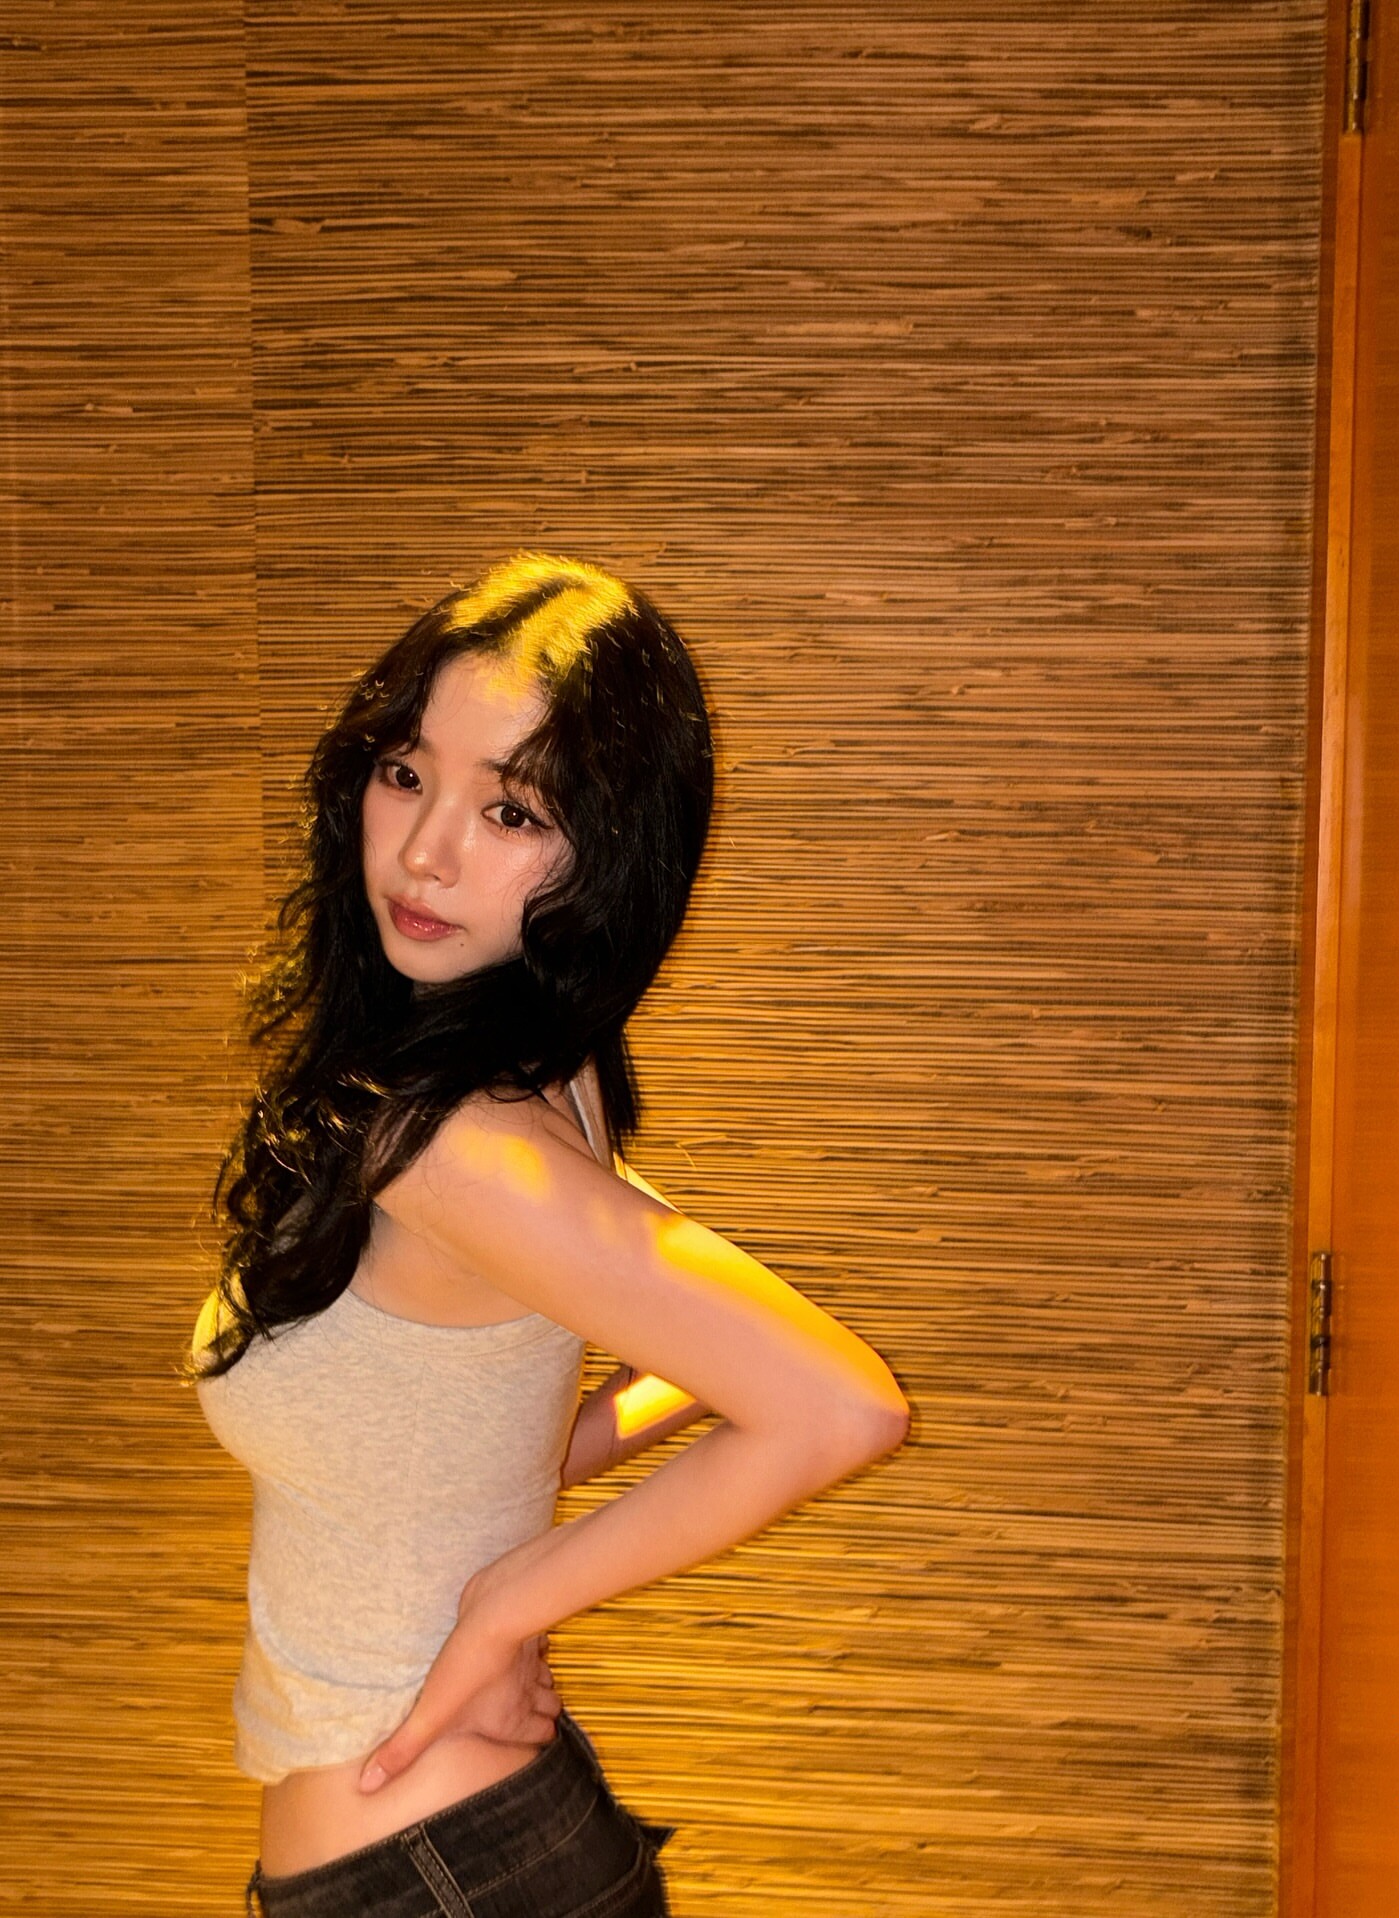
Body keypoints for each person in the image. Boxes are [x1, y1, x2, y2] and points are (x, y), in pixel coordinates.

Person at [186, 552, 911, 1918]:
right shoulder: (531, 1068)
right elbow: (513, 1377)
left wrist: (511, 1603)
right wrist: (557, 1461)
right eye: (406, 772)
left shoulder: (455, 1144)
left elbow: (841, 1405)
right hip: (462, 1850)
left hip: (432, 1872)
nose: (426, 849)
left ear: (607, 852)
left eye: (510, 808)